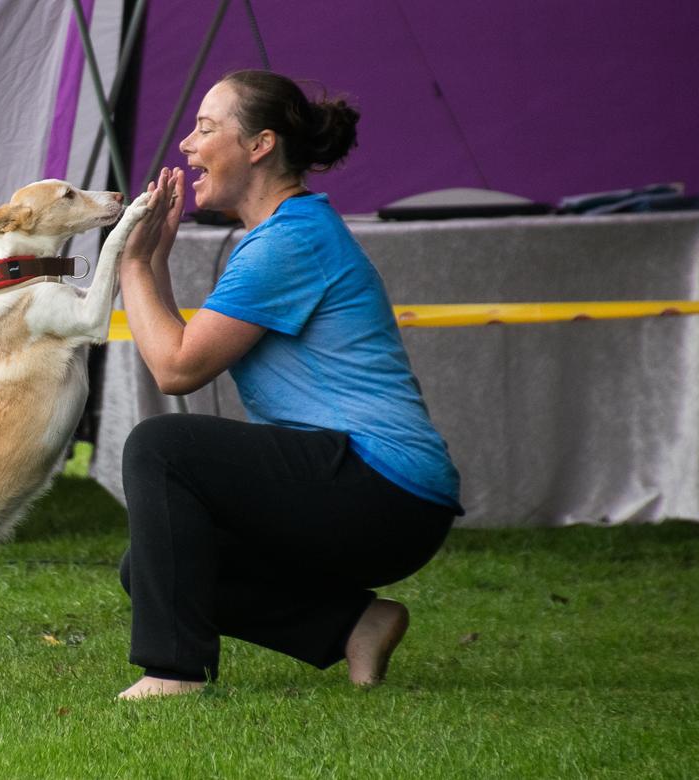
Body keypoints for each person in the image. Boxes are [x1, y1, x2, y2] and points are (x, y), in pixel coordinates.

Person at [115, 70, 463, 700]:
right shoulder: (284, 235)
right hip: (384, 501)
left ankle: (174, 673)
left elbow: (175, 369)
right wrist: (151, 265)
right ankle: (355, 623)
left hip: (383, 491)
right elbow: (179, 355)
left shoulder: (290, 242)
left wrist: (133, 263)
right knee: (151, 568)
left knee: (160, 447)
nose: (188, 146)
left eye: (205, 127)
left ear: (260, 145)